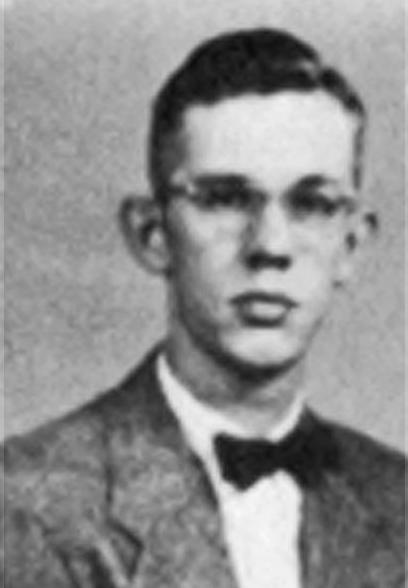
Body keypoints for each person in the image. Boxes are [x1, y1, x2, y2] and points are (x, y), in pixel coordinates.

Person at [2, 28, 406, 588]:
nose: (270, 246)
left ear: (351, 245)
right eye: (225, 199)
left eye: (312, 203)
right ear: (152, 234)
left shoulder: (397, 498)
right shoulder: (24, 506)